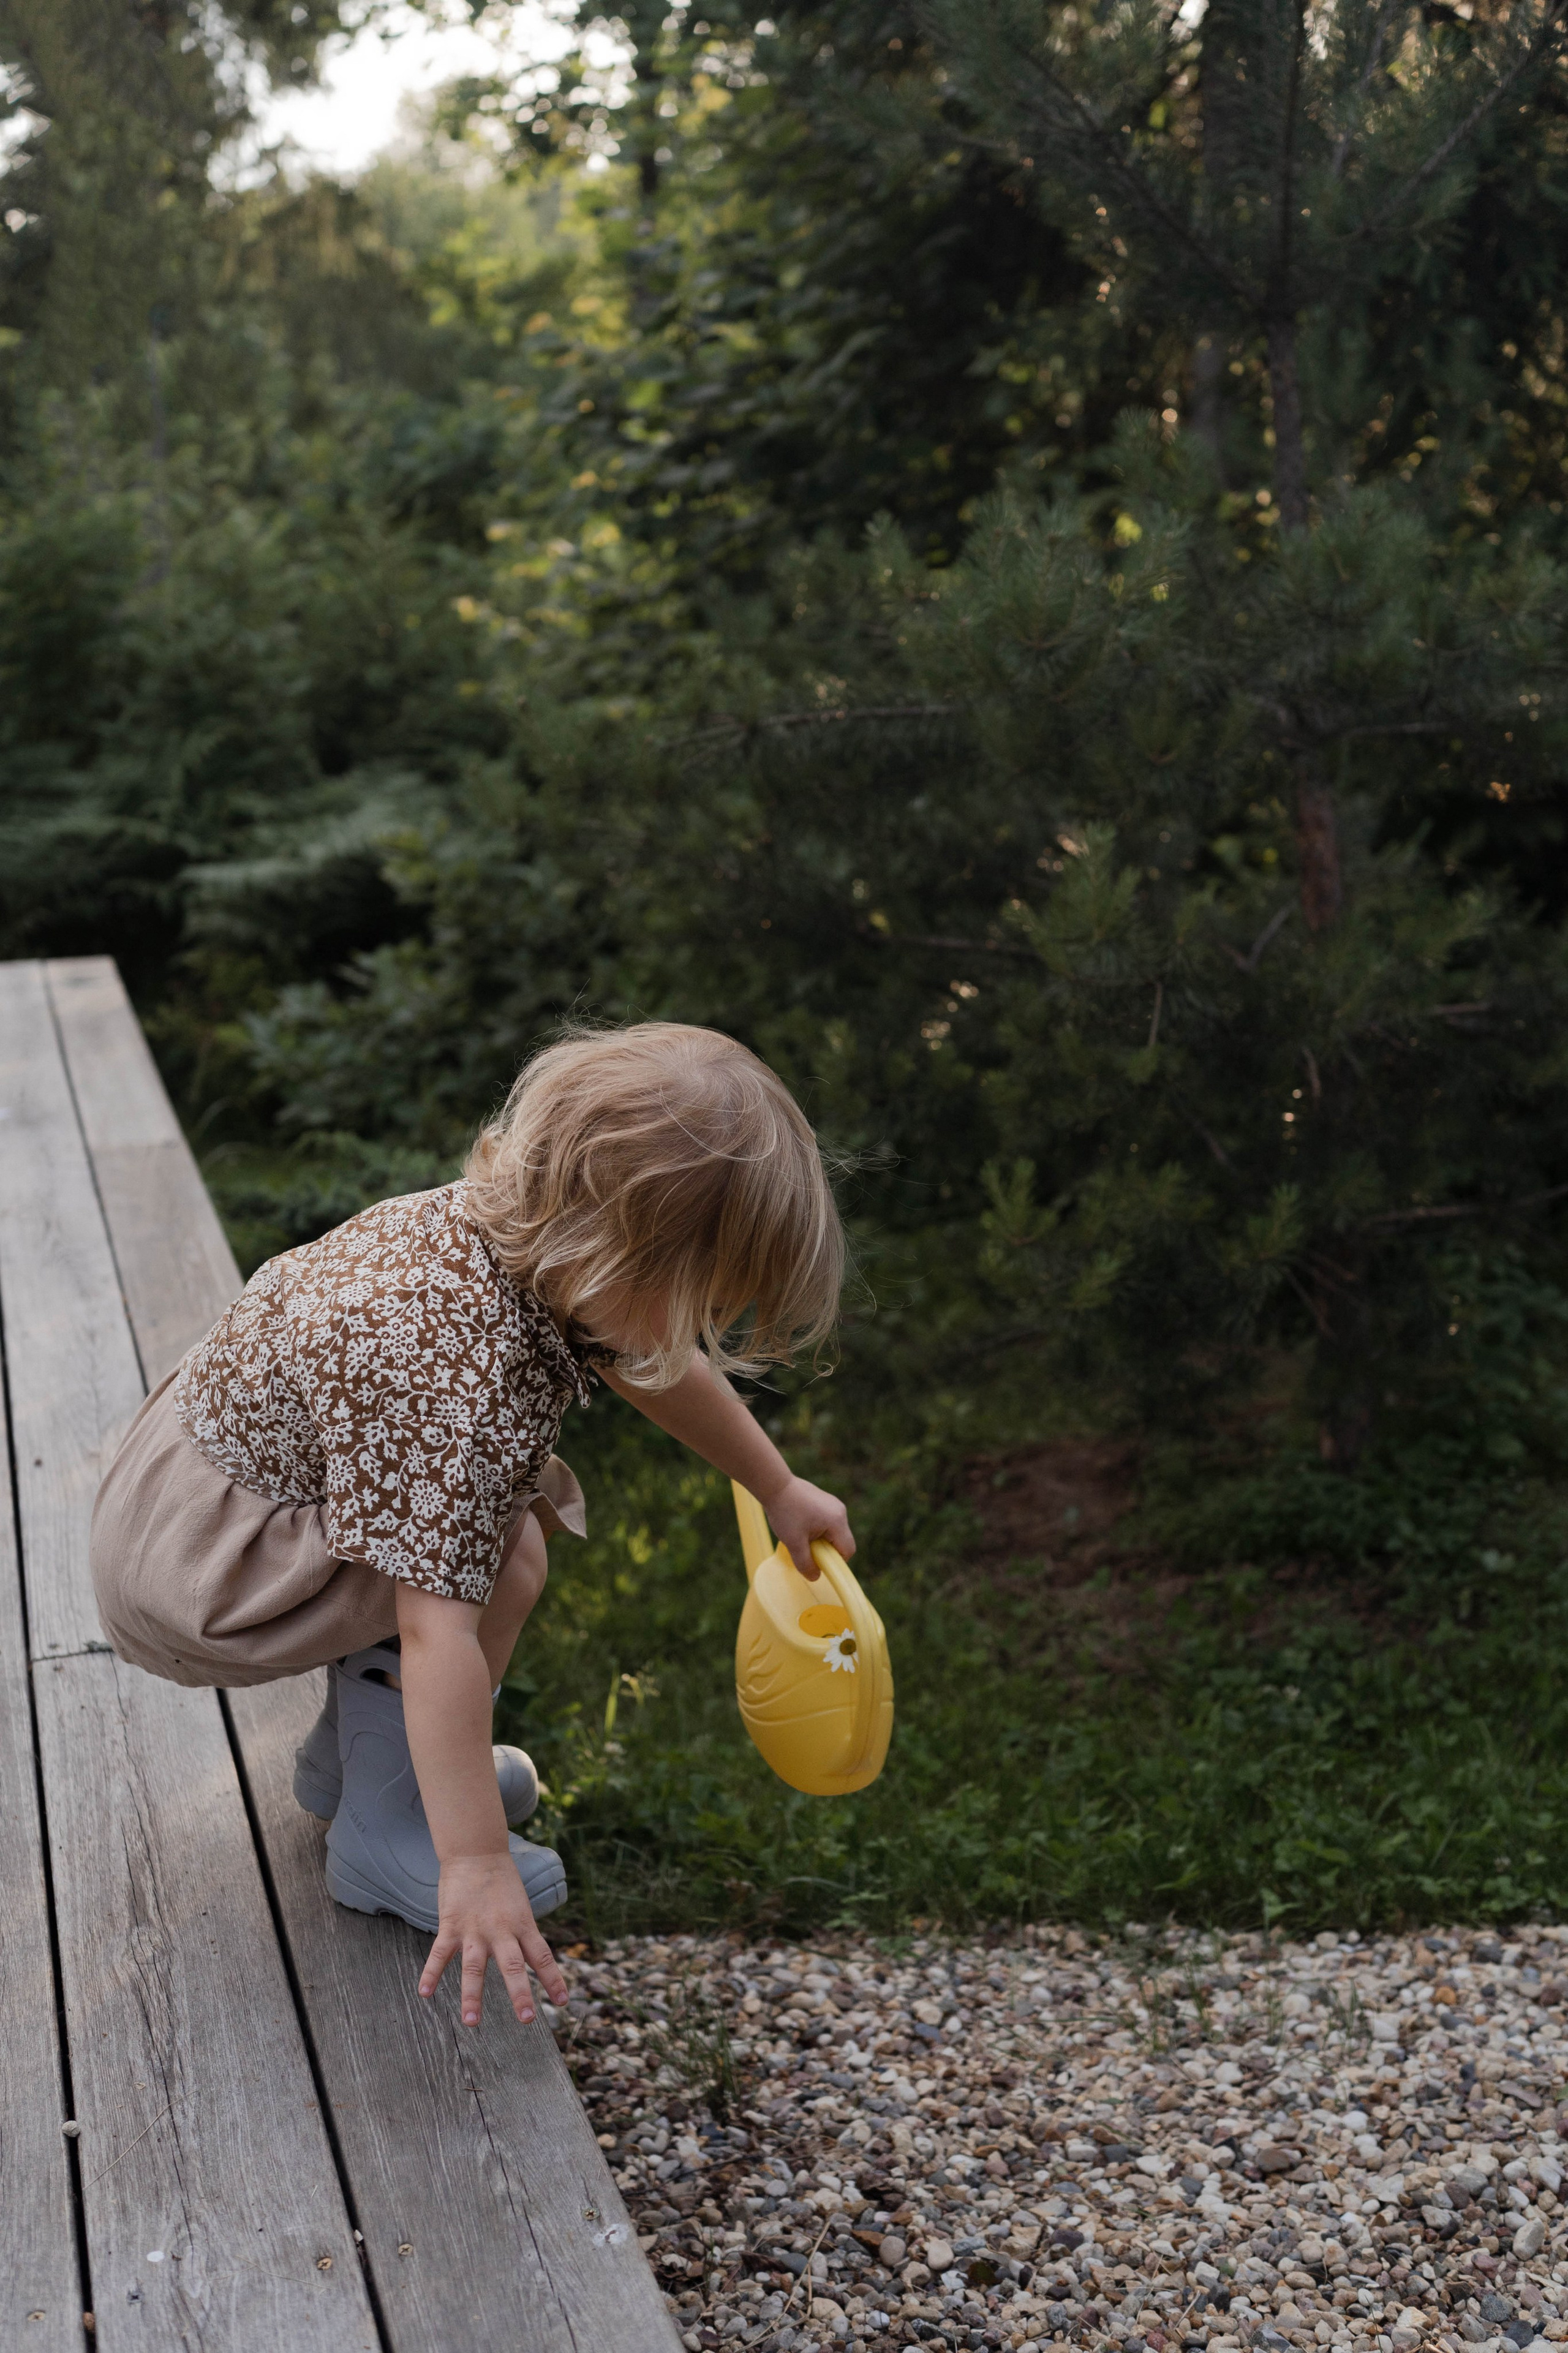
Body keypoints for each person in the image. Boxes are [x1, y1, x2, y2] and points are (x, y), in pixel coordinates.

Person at [89, 1022, 853, 2031]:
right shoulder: (460, 1380)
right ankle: (389, 1822)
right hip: (200, 1575)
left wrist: (776, 1484)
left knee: (488, 1531)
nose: (701, 1332)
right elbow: (434, 1631)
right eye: (700, 1305)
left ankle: (354, 1756)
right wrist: (477, 1858)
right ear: (616, 1266)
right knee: (501, 1554)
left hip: (191, 1489)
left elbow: (646, 1363)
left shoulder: (520, 1241)